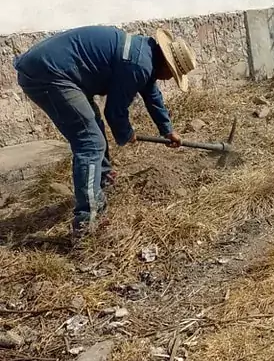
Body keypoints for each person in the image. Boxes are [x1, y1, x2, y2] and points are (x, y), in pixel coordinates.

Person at [14, 25, 196, 237]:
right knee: (90, 141)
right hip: (49, 74)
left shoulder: (144, 54)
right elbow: (115, 111)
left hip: (57, 70)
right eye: (171, 74)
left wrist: (168, 130)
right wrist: (127, 133)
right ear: (166, 63)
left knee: (94, 127)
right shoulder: (139, 64)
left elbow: (151, 93)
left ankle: (103, 181)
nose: (168, 79)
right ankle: (88, 221)